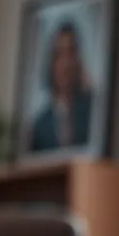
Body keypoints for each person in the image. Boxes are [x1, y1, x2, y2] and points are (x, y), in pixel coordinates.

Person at [28, 19, 93, 152]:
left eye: (71, 53)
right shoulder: (40, 125)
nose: (66, 64)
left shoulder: (92, 111)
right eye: (59, 55)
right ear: (51, 62)